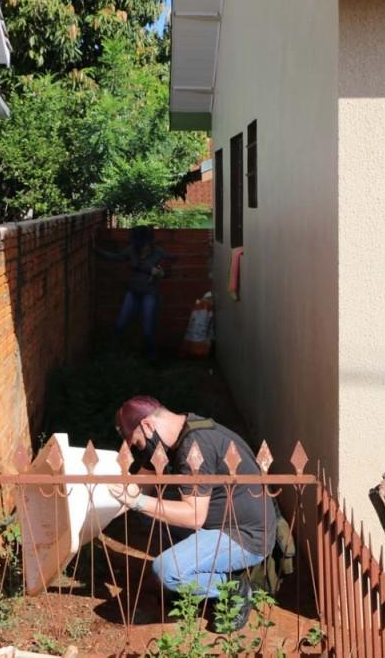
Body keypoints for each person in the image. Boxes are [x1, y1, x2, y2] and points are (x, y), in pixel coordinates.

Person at [107, 395, 276, 630]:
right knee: (150, 514)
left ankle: (233, 586)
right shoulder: (179, 430)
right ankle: (195, 574)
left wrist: (137, 501)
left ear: (147, 426)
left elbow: (193, 516)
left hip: (246, 536)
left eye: (137, 444)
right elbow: (139, 484)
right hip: (219, 524)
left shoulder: (195, 447)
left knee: (166, 571)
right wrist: (102, 511)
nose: (140, 450)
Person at [94, 226, 174, 360]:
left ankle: (151, 359)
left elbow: (169, 269)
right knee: (120, 325)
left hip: (149, 294)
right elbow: (116, 257)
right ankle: (114, 356)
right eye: (139, 243)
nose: (141, 246)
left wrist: (161, 273)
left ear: (149, 241)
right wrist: (95, 251)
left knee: (148, 330)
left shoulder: (158, 253)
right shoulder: (132, 250)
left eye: (143, 243)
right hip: (133, 293)